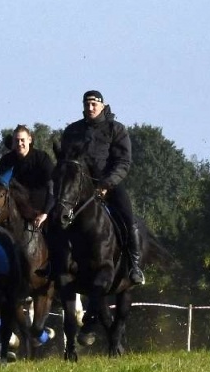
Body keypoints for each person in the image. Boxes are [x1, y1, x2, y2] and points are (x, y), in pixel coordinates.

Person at [51, 90, 145, 285]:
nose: (90, 107)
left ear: (102, 105)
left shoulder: (116, 129)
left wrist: (106, 184)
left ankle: (134, 265)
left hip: (109, 184)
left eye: (94, 104)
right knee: (55, 217)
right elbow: (66, 161)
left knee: (128, 218)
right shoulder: (72, 131)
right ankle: (52, 263)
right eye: (87, 104)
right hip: (77, 187)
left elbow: (123, 162)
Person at [0, 125, 56, 232]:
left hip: (41, 211)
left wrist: (45, 213)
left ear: (29, 140)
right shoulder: (7, 160)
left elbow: (52, 186)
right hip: (15, 212)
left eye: (22, 140)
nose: (19, 144)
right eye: (17, 140)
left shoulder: (42, 158)